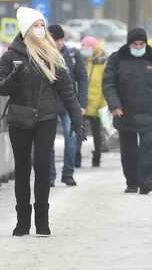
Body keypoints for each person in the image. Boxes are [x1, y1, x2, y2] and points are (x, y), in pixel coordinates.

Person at [0, 7, 87, 237]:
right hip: (19, 119)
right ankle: (22, 221)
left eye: (41, 25)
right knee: (23, 169)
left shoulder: (52, 54)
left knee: (43, 167)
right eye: (35, 25)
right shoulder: (10, 56)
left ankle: (42, 221)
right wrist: (14, 76)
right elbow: (0, 89)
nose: (40, 29)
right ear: (25, 28)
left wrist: (77, 121)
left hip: (46, 118)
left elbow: (67, 91)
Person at [103, 27, 152, 194]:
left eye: (142, 44)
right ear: (129, 44)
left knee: (147, 146)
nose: (139, 47)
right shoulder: (117, 59)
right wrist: (115, 105)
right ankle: (132, 181)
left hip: (149, 110)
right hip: (124, 112)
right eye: (135, 44)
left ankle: (147, 180)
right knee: (129, 150)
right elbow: (108, 84)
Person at [47, 24, 88, 187]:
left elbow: (83, 79)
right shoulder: (43, 55)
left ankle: (68, 173)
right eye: (56, 40)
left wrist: (82, 104)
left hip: (69, 104)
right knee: (47, 142)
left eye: (62, 39)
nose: (59, 43)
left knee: (71, 139)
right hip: (48, 104)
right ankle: (50, 175)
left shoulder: (72, 54)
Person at [76, 36, 108, 167]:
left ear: (94, 49)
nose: (85, 50)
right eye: (83, 47)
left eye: (88, 47)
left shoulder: (102, 63)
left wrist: (102, 104)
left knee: (97, 134)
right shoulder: (79, 61)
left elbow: (105, 84)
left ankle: (97, 156)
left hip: (97, 104)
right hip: (81, 104)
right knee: (78, 132)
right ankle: (76, 157)